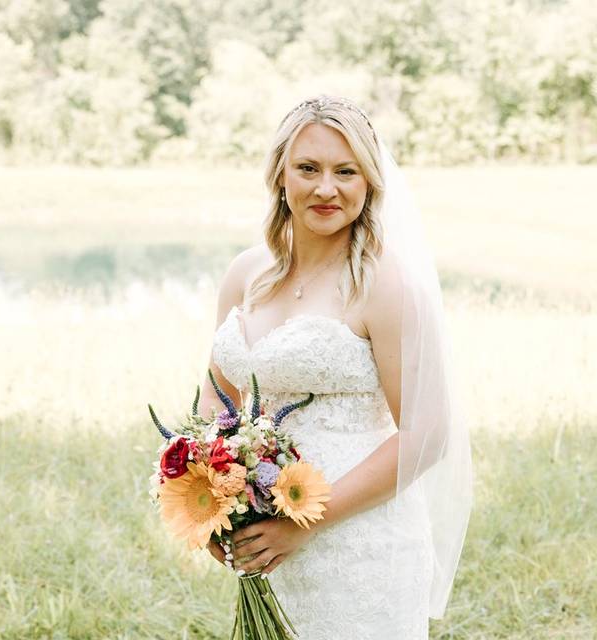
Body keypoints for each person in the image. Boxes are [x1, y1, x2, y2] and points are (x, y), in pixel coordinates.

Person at [196, 95, 471, 639]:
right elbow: (214, 401)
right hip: (265, 535)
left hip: (359, 543)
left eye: (346, 171)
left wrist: (304, 524)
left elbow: (426, 434)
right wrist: (212, 502)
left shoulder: (385, 283)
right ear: (280, 175)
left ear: (369, 181)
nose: (326, 188)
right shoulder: (243, 273)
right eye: (308, 168)